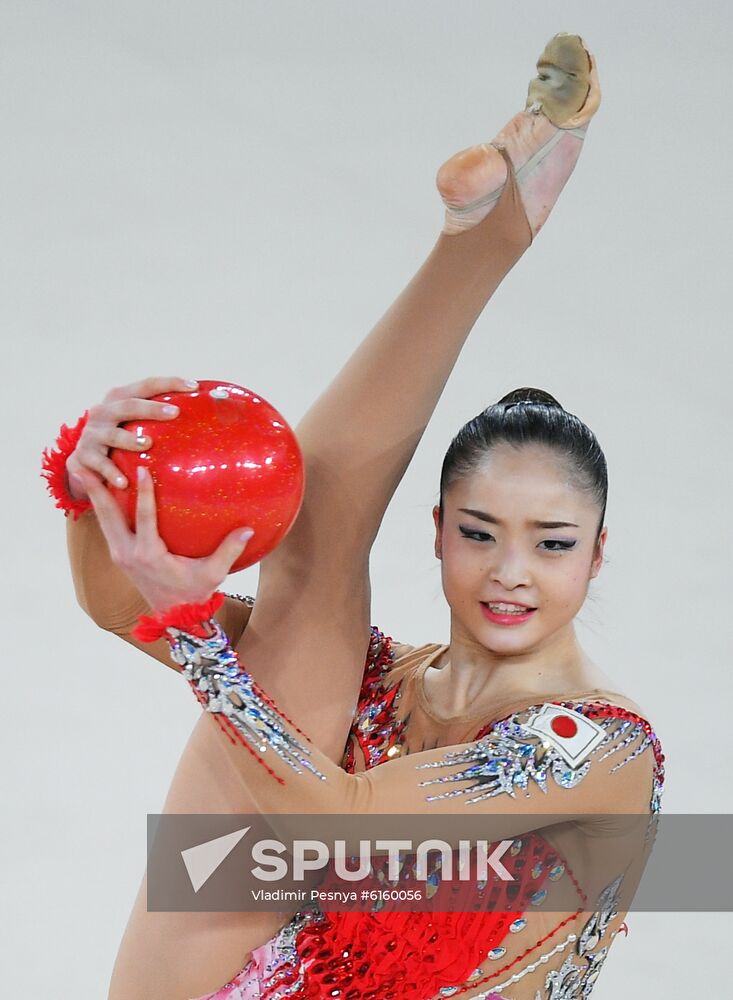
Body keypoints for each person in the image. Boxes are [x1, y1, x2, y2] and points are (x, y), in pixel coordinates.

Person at [42, 33, 664, 1000]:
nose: (510, 572)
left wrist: (202, 641)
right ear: (436, 533)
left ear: (596, 553)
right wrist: (102, 485)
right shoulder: (379, 682)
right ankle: (483, 235)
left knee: (303, 590)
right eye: (478, 533)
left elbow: (340, 822)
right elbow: (121, 608)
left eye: (551, 544)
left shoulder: (597, 748)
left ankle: (486, 239)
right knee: (309, 559)